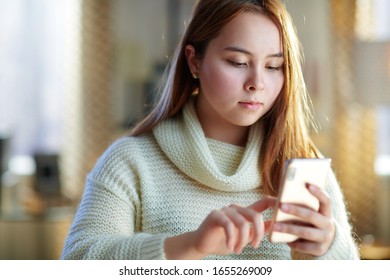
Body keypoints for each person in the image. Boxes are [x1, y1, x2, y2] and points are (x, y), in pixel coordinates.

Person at [61, 0, 360, 260]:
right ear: (194, 60)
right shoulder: (130, 162)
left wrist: (328, 250)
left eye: (273, 66)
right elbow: (78, 260)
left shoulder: (302, 163)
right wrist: (190, 245)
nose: (257, 82)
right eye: (238, 62)